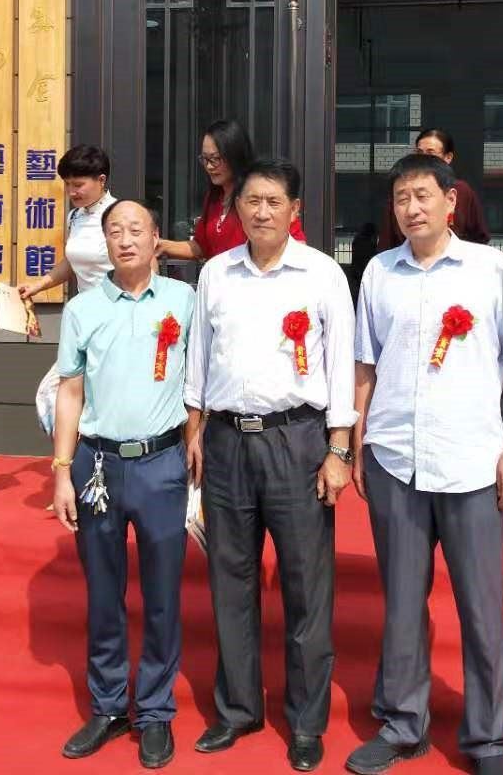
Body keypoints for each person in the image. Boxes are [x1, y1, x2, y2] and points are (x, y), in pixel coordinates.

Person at [346, 153, 503, 775]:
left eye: (423, 195)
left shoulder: (489, 269)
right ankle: (403, 724)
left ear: (450, 201)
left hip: (471, 463)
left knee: (480, 608)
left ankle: (488, 740)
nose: (412, 208)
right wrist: (356, 440)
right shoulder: (379, 272)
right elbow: (365, 365)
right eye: (401, 197)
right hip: (395, 459)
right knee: (402, 603)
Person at [183, 158, 356, 773]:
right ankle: (238, 709)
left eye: (273, 202)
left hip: (298, 440)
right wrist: (195, 428)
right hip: (227, 440)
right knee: (230, 578)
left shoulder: (322, 273)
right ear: (238, 208)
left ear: (294, 210)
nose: (261, 212)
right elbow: (199, 357)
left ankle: (306, 721)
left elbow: (341, 363)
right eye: (251, 201)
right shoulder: (216, 273)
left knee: (306, 585)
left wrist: (339, 449)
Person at [51, 200, 197, 769]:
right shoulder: (83, 309)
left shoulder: (184, 301)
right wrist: (61, 471)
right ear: (105, 244)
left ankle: (155, 710)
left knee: (162, 595)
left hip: (162, 464)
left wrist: (197, 442)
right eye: (115, 231)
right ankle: (109, 706)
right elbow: (70, 391)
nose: (126, 239)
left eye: (137, 230)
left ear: (156, 238)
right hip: (98, 466)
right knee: (103, 592)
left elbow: (200, 383)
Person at [19, 145, 116, 436]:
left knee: (90, 396)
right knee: (55, 395)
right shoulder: (76, 217)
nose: (72, 191)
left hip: (114, 318)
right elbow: (72, 263)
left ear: (101, 180)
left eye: (78, 184)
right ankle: (74, 457)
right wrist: (37, 286)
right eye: (68, 184)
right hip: (83, 319)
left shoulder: (119, 216)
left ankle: (83, 457)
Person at [156, 119, 304, 262]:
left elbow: (297, 246)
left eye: (215, 159)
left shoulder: (257, 198)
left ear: (234, 156)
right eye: (205, 159)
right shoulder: (214, 198)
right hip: (220, 275)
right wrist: (162, 245)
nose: (209, 166)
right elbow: (201, 247)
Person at [378, 129, 489, 251]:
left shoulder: (463, 190)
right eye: (419, 153)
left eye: (431, 153)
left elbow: (478, 235)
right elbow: (388, 240)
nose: (423, 159)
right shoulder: (402, 190)